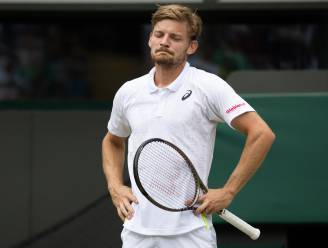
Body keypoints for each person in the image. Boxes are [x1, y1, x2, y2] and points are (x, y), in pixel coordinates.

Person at [102, 4, 275, 248]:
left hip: (191, 234)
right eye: (159, 34)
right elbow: (112, 140)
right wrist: (115, 186)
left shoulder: (209, 86)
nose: (164, 42)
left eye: (175, 37)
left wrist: (228, 191)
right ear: (150, 39)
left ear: (191, 46)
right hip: (136, 232)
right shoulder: (128, 92)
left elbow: (262, 133)